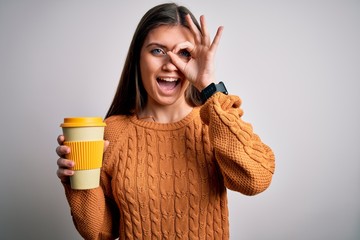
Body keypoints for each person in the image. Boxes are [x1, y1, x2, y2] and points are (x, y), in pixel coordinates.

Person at [56, 3, 275, 239]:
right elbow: (99, 232)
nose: (171, 64)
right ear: (138, 57)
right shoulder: (113, 132)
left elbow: (255, 180)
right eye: (157, 51)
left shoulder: (214, 123)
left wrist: (209, 87)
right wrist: (78, 179)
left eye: (184, 53)